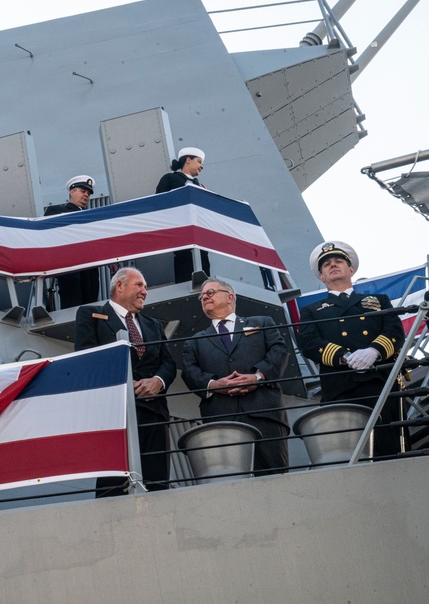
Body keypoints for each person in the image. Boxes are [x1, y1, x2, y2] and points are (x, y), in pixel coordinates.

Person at [296, 241, 405, 458]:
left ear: (351, 270)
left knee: (389, 451)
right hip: (339, 386)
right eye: (327, 264)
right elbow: (308, 342)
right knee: (346, 454)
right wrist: (344, 357)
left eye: (339, 261)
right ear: (321, 277)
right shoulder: (312, 310)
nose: (333, 265)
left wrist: (374, 351)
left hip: (379, 383)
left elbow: (394, 330)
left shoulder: (377, 300)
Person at [75, 267, 176, 494]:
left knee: (157, 484)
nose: (145, 291)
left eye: (146, 287)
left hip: (153, 412)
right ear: (119, 286)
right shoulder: (90, 315)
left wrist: (158, 381)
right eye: (139, 285)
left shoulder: (153, 325)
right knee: (112, 485)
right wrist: (121, 382)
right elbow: (87, 357)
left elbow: (168, 363)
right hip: (114, 412)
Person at [181, 278, 289, 475]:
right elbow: (189, 372)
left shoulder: (262, 322)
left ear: (230, 296)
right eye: (202, 296)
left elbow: (279, 351)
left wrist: (258, 376)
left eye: (210, 292)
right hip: (221, 418)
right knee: (230, 482)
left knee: (275, 478)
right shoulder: (194, 341)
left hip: (264, 414)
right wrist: (213, 384)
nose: (204, 297)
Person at [155, 147, 211, 283]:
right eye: (198, 161)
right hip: (181, 235)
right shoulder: (170, 179)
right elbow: (159, 203)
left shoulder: (201, 186)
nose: (201, 166)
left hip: (200, 238)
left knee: (204, 272)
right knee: (185, 271)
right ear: (188, 160)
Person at [44, 175, 99, 308]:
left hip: (89, 269)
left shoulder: (93, 216)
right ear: (72, 191)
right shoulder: (56, 211)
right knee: (72, 305)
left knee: (90, 305)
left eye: (88, 193)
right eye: (83, 191)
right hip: (70, 268)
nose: (86, 195)